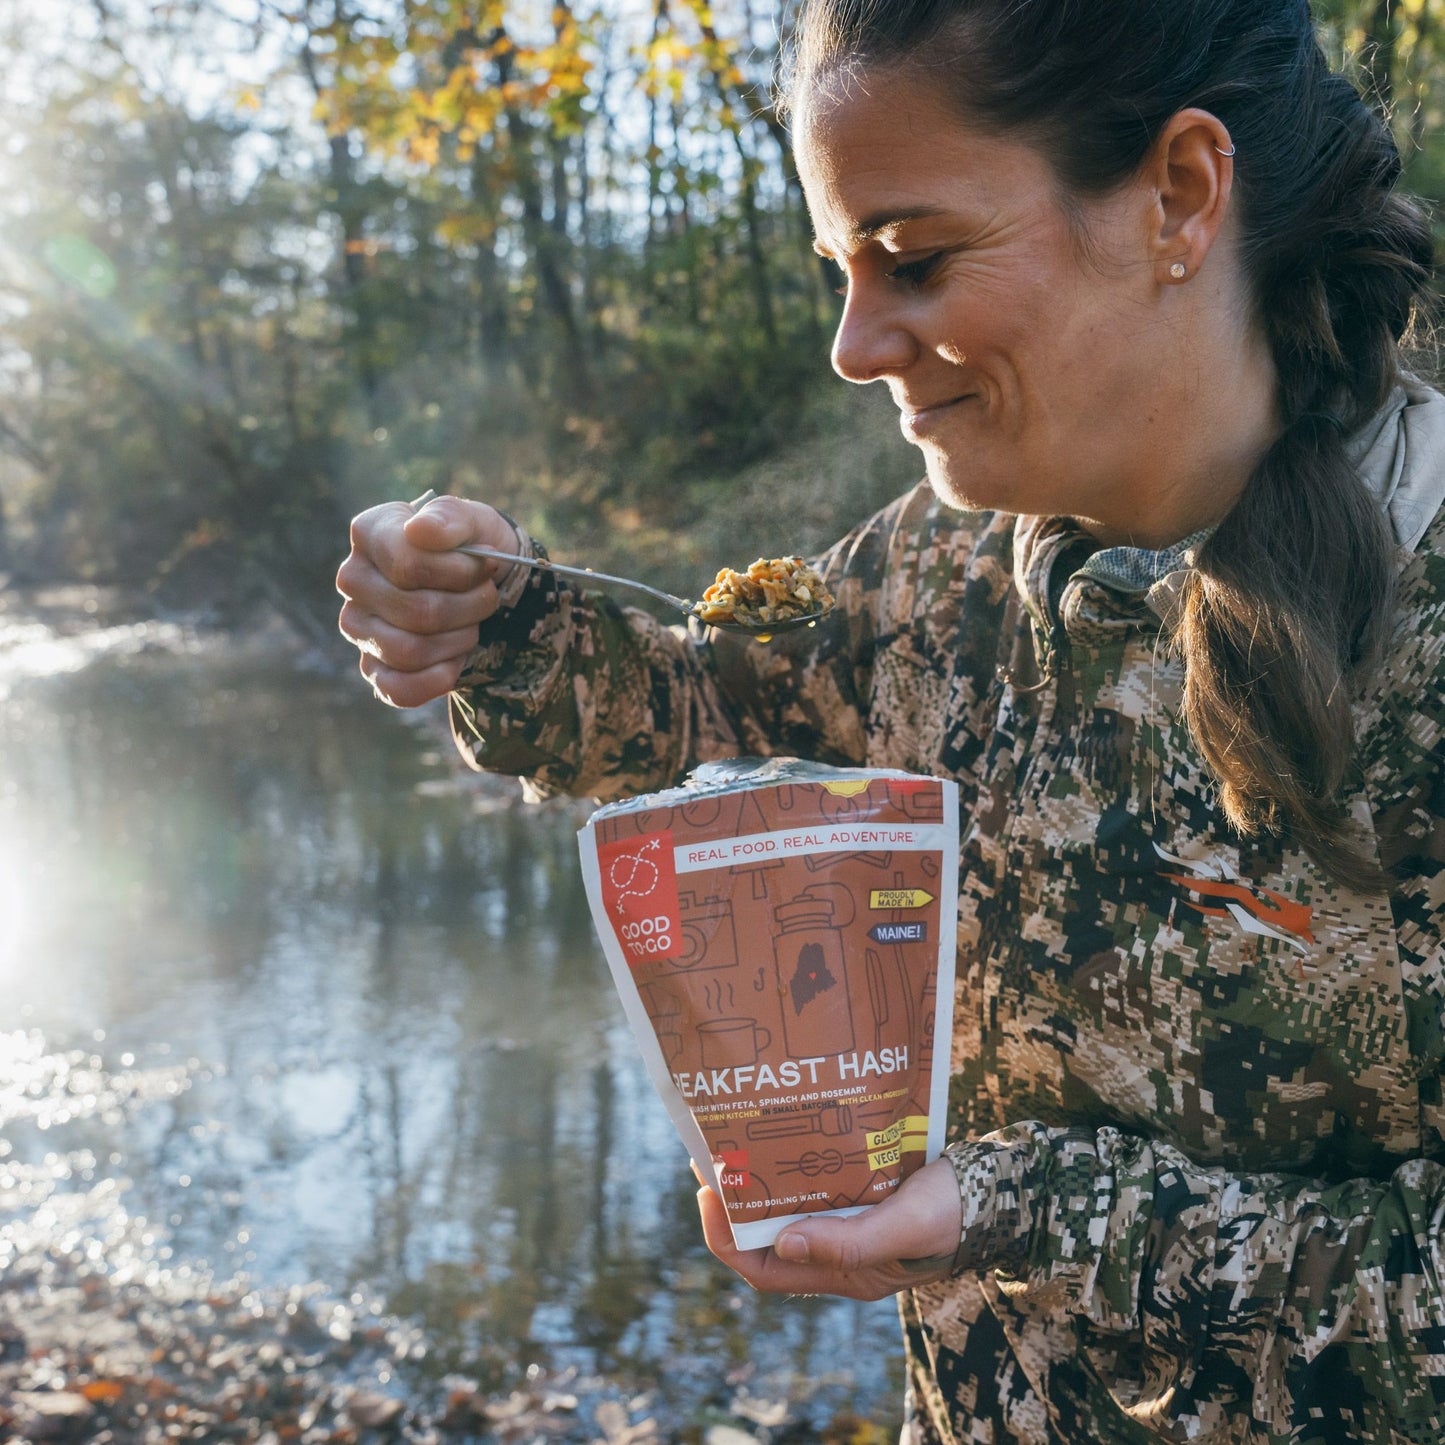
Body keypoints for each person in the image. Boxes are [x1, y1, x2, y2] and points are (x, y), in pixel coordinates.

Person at [335, 0, 1445, 1439]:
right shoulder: (937, 570)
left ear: (1178, 195)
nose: (855, 347)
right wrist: (493, 615)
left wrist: (1023, 1215)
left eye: (913, 261)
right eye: (837, 272)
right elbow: (691, 715)